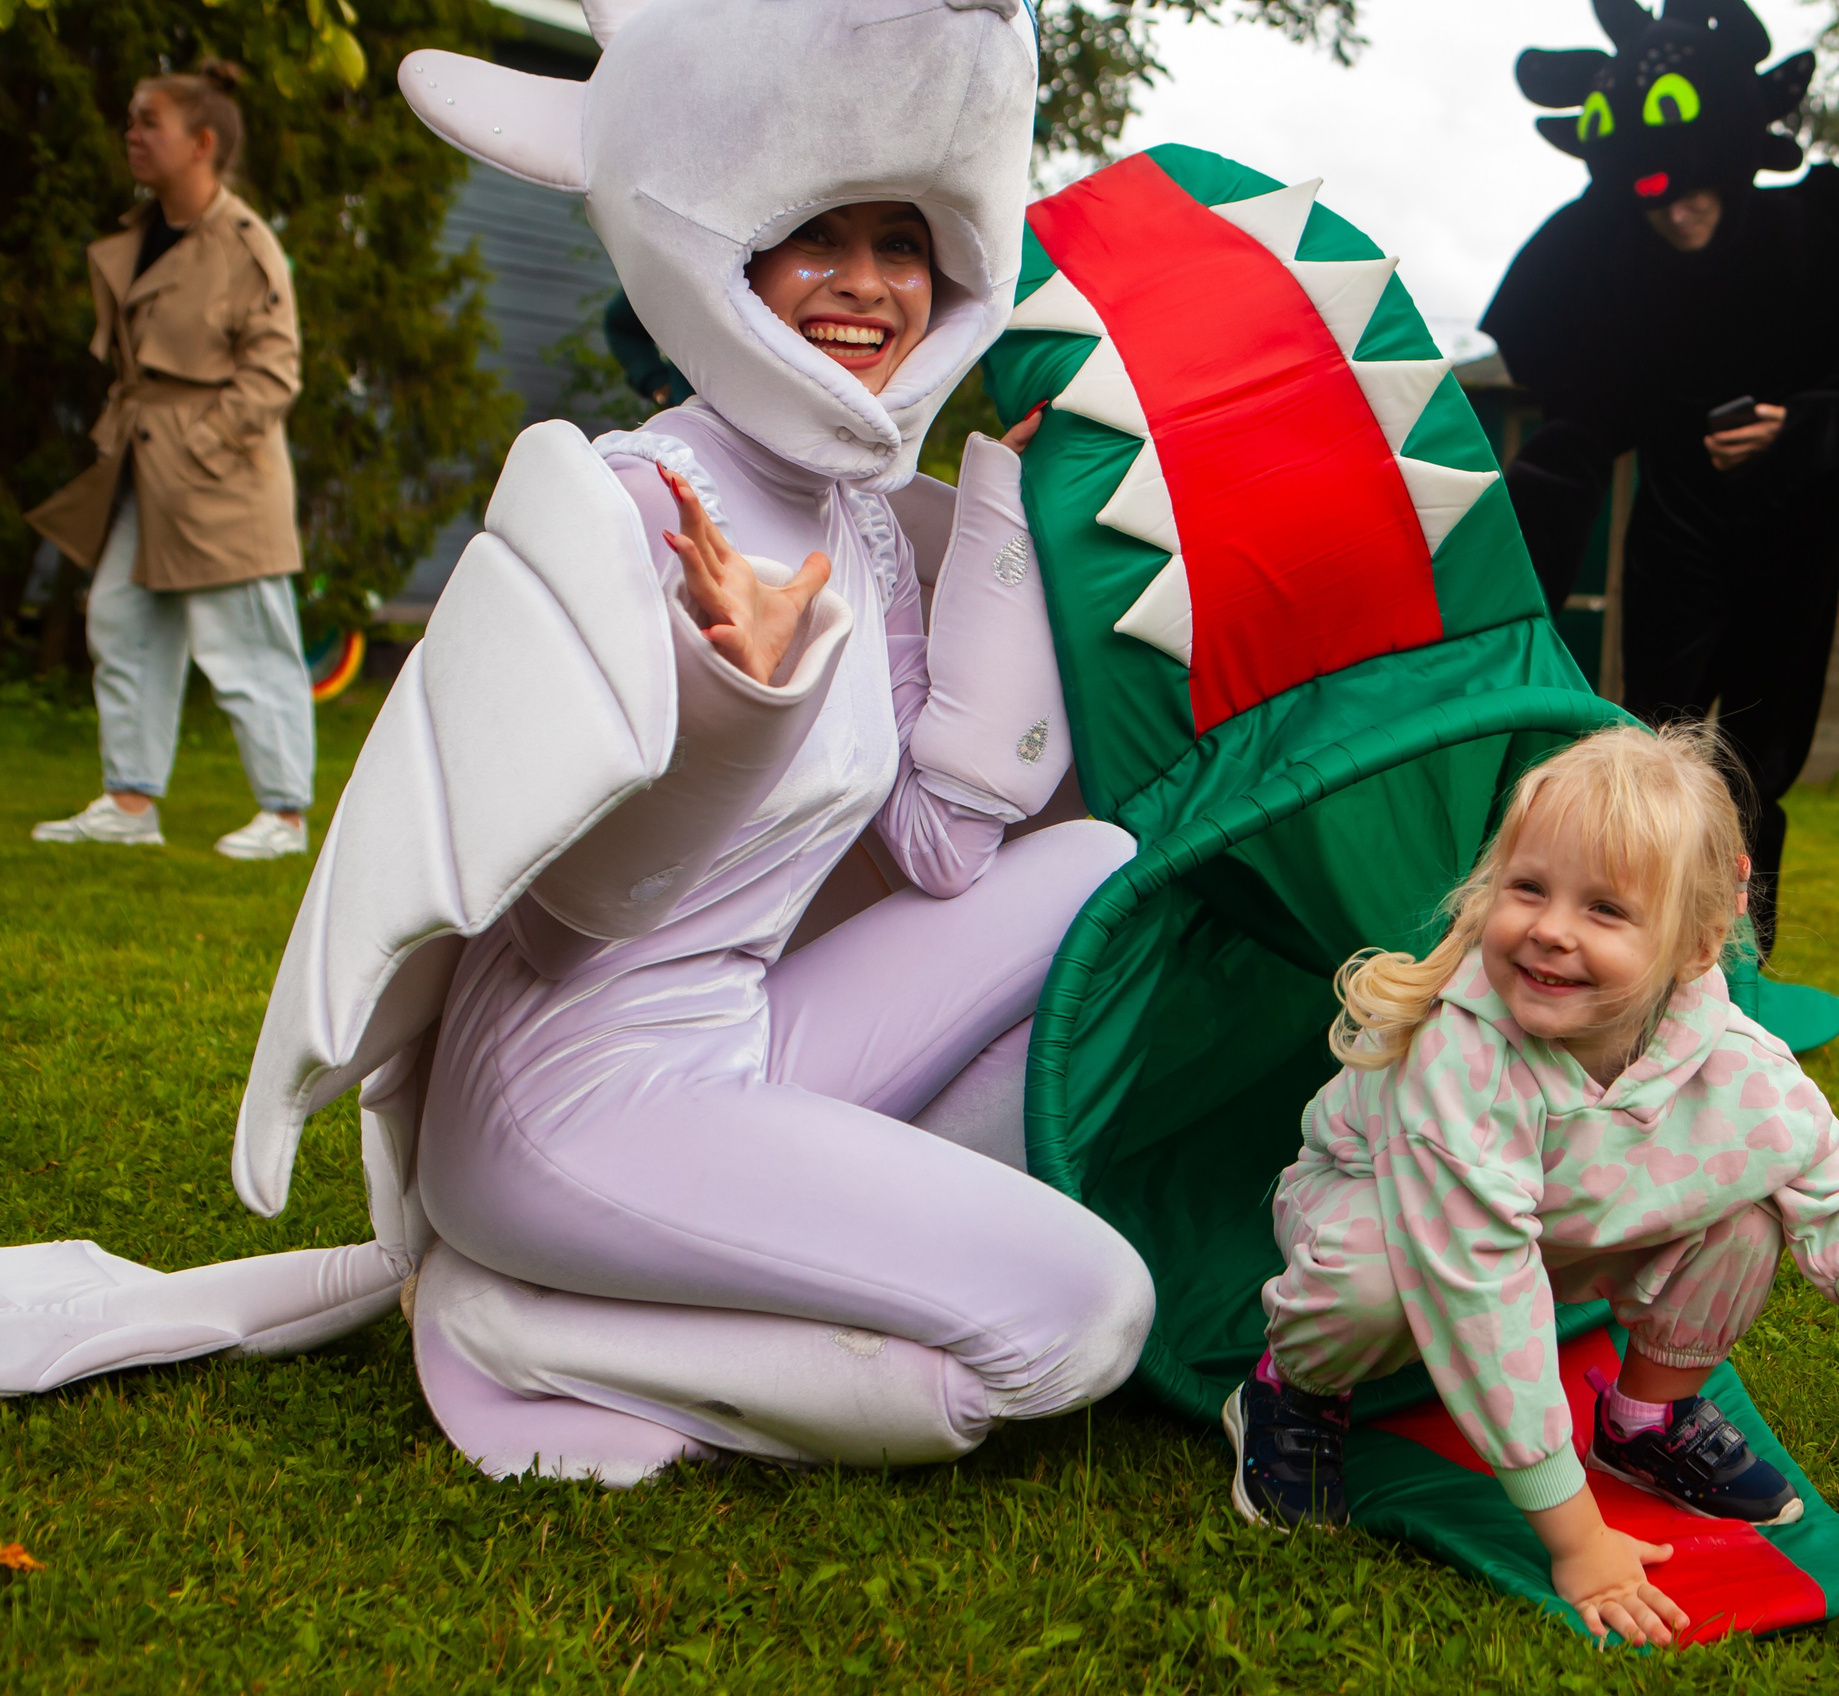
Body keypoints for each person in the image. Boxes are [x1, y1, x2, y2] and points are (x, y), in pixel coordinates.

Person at [0, 0, 1156, 1487]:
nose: (867, 286)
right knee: (1072, 1325)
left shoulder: (867, 526)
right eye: (822, 236)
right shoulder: (620, 496)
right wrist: (750, 696)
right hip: (563, 1095)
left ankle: (775, 1236)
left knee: (1098, 868)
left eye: (902, 245)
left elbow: (943, 846)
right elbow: (581, 902)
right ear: (739, 250)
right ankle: (513, 1325)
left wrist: (1002, 494)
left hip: (739, 1037)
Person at [1223, 723, 1839, 1645]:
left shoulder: (1732, 1062)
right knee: (1371, 1275)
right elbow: (1476, 1285)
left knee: (1749, 1219)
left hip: (1558, 1230)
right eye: (1529, 889)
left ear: (1693, 943)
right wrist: (1574, 1535)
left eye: (1605, 910)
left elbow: (1836, 1192)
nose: (1552, 929)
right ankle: (1295, 1387)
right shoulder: (1464, 1058)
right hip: (1392, 1214)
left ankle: (1645, 1417)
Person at [1481, 0, 1839, 958]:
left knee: (1758, 766)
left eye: (1694, 197)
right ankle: (1634, 953)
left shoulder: (1815, 228)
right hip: (1678, 528)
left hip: (1795, 528)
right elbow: (1591, 406)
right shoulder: (1629, 264)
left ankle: (1743, 967)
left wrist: (1798, 426)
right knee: (1654, 745)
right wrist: (1531, 512)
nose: (1678, 215)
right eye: (1656, 202)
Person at [27, 61, 316, 861]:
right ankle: (130, 802)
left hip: (220, 479)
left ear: (202, 142)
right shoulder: (141, 229)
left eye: (147, 121)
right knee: (121, 626)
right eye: (131, 119)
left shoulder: (246, 245)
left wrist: (199, 446)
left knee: (246, 644)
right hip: (137, 465)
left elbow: (273, 373)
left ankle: (285, 816)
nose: (131, 134)